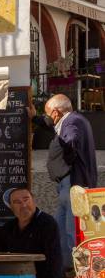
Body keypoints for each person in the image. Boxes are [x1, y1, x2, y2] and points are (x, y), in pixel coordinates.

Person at [34, 94, 97, 264]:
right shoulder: (68, 121)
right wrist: (34, 118)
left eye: (48, 113)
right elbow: (51, 126)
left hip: (73, 183)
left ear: (55, 112)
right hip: (66, 184)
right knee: (60, 228)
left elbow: (71, 139)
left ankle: (77, 268)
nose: (47, 118)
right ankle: (65, 266)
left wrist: (68, 157)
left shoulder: (72, 122)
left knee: (71, 231)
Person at [1, 187, 65, 278]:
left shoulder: (47, 223)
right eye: (17, 202)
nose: (23, 205)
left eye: (26, 199)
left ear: (33, 200)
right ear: (11, 207)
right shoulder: (9, 228)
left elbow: (55, 257)